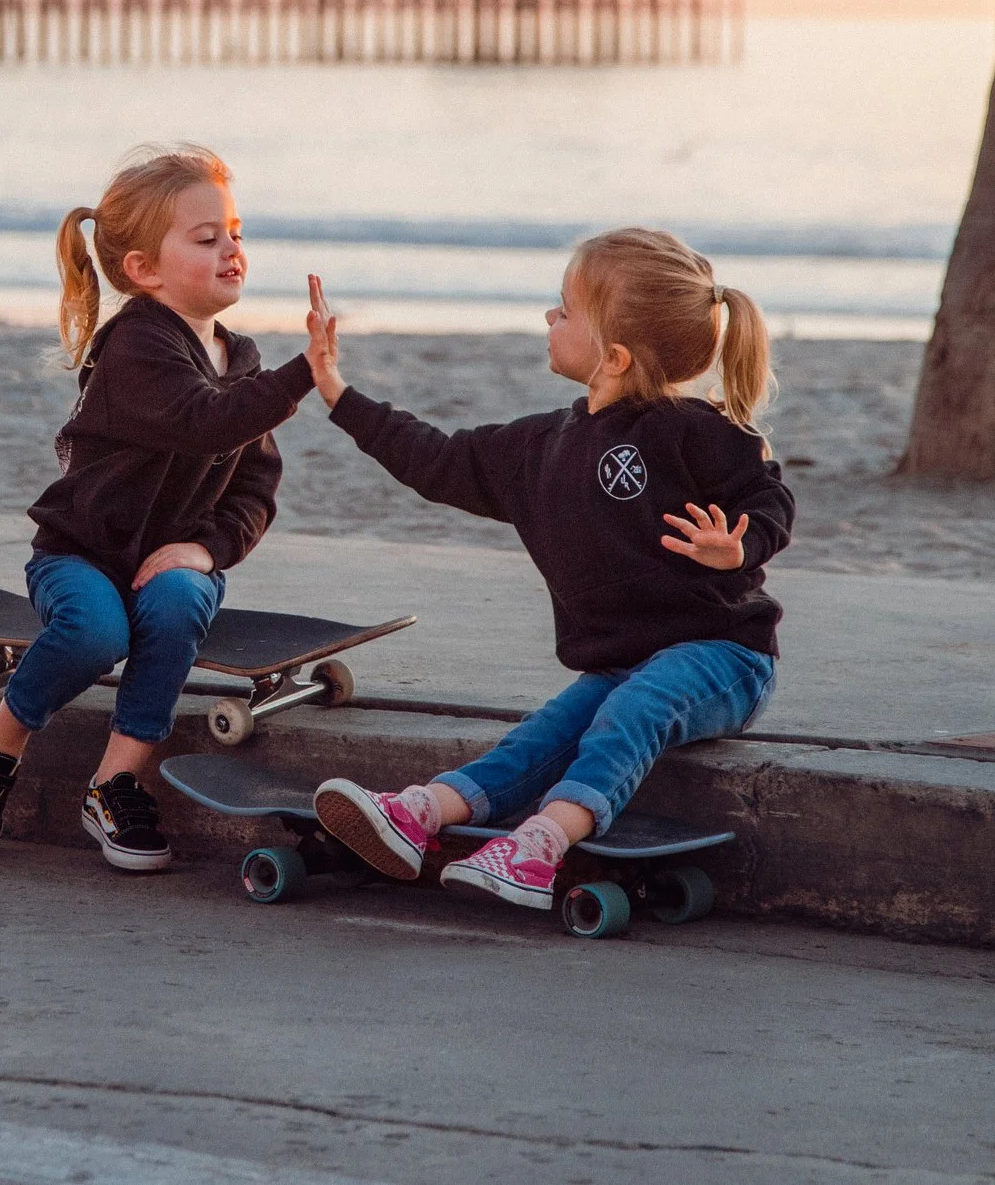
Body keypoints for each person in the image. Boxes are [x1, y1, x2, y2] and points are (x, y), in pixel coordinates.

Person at [303, 227, 792, 910]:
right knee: (543, 735)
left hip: (725, 657)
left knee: (634, 707)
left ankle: (539, 846)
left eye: (563, 310)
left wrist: (739, 546)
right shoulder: (539, 448)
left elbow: (768, 495)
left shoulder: (695, 430)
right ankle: (422, 813)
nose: (548, 318)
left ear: (614, 355)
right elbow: (435, 458)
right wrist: (337, 391)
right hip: (625, 661)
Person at [0, 145, 314, 871]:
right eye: (206, 239)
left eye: (235, 231)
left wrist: (207, 548)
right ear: (144, 269)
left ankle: (116, 779)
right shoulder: (137, 344)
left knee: (177, 599)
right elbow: (202, 421)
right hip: (78, 555)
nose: (231, 248)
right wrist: (308, 371)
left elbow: (253, 482)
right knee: (94, 631)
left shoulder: (241, 360)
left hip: (169, 561)